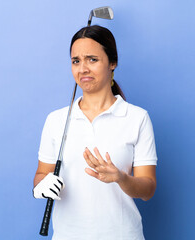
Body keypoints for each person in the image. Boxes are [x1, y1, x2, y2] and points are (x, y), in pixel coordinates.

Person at [33, 25, 157, 240]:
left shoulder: (137, 118)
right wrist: (40, 186)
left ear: (112, 63)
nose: (83, 69)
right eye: (76, 61)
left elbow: (147, 189)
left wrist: (120, 178)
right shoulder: (56, 120)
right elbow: (41, 175)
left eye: (92, 59)